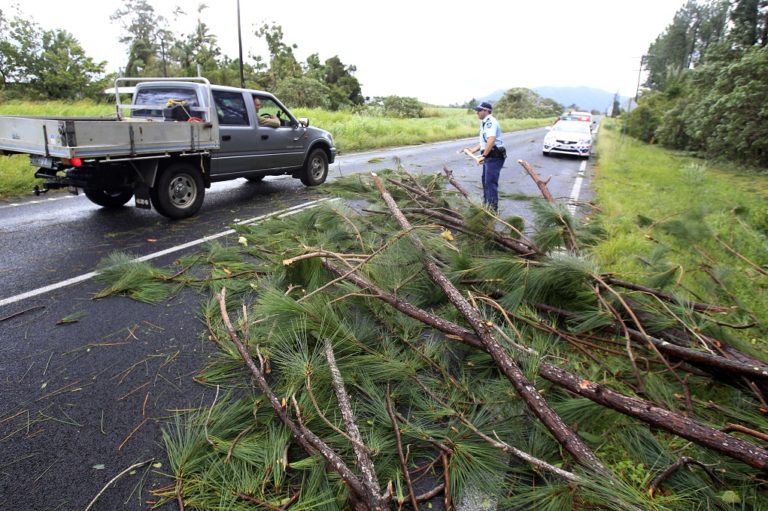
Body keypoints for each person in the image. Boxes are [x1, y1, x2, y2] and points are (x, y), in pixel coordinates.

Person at [464, 101, 506, 212]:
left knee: (490, 183)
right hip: (489, 155)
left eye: (479, 110)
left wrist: (484, 155)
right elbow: (485, 141)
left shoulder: (490, 122)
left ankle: (492, 210)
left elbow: (491, 140)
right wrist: (473, 150)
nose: (477, 113)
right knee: (485, 181)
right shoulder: (484, 122)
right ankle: (486, 206)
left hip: (494, 155)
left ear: (486, 111)